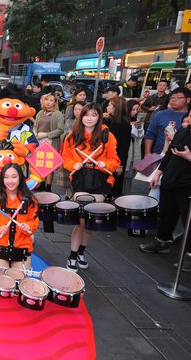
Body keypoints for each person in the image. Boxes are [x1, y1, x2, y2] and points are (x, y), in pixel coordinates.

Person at [61, 103, 120, 272]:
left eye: (94, 115)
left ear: (99, 117)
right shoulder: (72, 136)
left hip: (101, 179)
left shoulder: (107, 135)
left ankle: (81, 252)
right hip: (81, 178)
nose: (89, 118)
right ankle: (72, 255)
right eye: (86, 115)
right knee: (80, 219)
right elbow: (65, 158)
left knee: (89, 220)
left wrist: (105, 164)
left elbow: (115, 161)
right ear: (81, 116)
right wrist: (74, 164)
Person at [139, 110, 191, 271]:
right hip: (170, 179)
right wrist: (159, 173)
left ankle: (189, 255)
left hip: (187, 184)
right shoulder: (183, 131)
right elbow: (169, 154)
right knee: (166, 213)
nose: (189, 117)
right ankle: (161, 242)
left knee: (188, 221)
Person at [0, 163, 39, 270]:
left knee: (20, 277)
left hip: (22, 246)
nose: (10, 181)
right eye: (6, 177)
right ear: (2, 179)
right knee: (1, 277)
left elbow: (34, 221)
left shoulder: (30, 200)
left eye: (14, 177)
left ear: (20, 178)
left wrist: (28, 226)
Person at [144, 87, 191, 157]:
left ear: (188, 100)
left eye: (178, 98)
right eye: (172, 98)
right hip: (159, 155)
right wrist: (147, 153)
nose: (173, 100)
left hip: (182, 158)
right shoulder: (160, 114)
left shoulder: (189, 117)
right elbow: (150, 135)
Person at [33, 93, 64, 192]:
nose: (48, 102)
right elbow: (35, 126)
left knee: (49, 165)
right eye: (47, 99)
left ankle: (48, 187)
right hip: (39, 140)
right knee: (40, 164)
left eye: (51, 100)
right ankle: (41, 183)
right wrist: (35, 133)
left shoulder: (57, 114)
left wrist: (46, 135)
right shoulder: (40, 113)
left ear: (55, 103)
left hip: (50, 141)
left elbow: (60, 130)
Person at [55, 101, 86, 198]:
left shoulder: (87, 123)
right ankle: (68, 194)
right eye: (75, 109)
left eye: (80, 109)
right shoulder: (69, 121)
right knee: (66, 174)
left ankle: (75, 195)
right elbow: (66, 135)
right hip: (68, 150)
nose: (77, 112)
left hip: (81, 153)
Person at [105, 97, 131, 197]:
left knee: (114, 187)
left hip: (116, 159)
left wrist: (120, 165)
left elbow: (124, 147)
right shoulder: (107, 121)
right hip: (104, 158)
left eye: (109, 105)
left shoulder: (125, 124)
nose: (107, 107)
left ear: (116, 108)